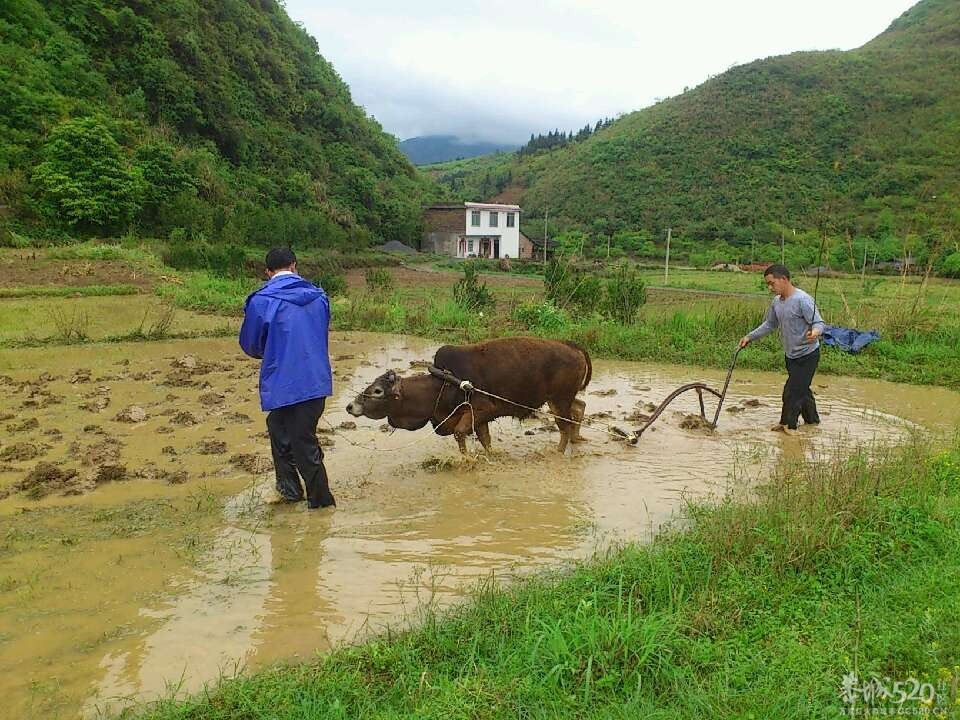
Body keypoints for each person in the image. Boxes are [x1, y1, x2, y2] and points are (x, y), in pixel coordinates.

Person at [239, 247, 336, 509]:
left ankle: (322, 504)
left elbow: (250, 344)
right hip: (315, 381)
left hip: (282, 382)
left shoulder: (261, 301)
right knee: (280, 430)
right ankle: (290, 491)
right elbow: (320, 333)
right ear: (294, 266)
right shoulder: (319, 297)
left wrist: (272, 352)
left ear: (268, 271)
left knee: (301, 441)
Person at [739, 263, 825, 436]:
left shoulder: (803, 300)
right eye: (768, 284)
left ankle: (788, 426)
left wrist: (815, 332)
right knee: (802, 390)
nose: (770, 287)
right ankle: (812, 422)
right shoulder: (777, 302)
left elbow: (819, 322)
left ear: (784, 279)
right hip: (791, 356)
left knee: (791, 392)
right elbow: (770, 324)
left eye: (772, 283)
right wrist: (749, 337)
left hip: (807, 355)